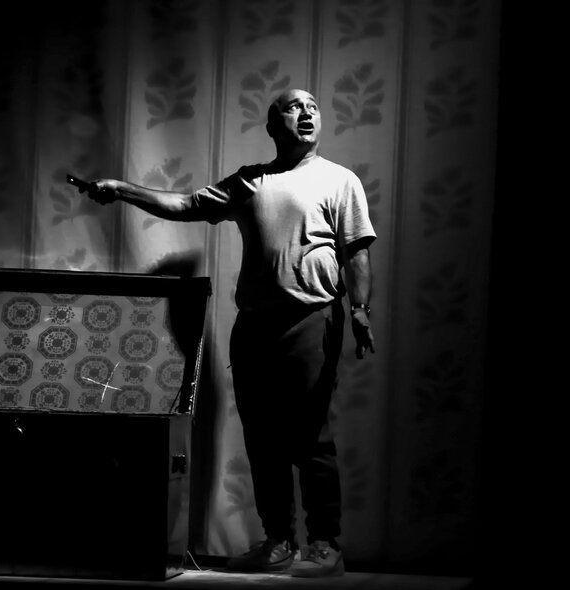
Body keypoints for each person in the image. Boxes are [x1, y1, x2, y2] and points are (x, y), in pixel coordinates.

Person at [73, 88, 376, 578]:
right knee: (263, 439)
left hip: (311, 318)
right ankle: (278, 541)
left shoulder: (340, 180)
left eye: (313, 107)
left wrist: (360, 309)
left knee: (309, 435)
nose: (306, 113)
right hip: (254, 326)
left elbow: (356, 250)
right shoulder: (251, 181)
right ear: (273, 126)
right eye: (293, 107)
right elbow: (185, 204)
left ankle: (325, 544)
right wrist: (123, 189)